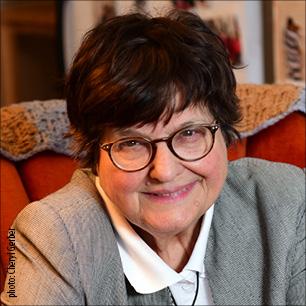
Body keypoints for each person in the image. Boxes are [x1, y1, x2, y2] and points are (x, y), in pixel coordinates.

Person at [1, 10, 305, 306]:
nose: (164, 171)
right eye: (133, 143)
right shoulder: (53, 235)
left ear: (224, 134)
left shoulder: (287, 200)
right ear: (95, 154)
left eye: (189, 134)